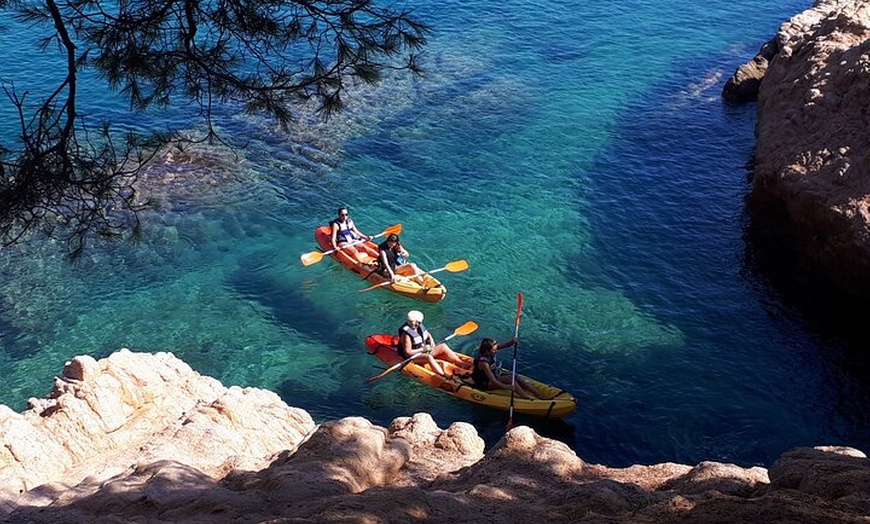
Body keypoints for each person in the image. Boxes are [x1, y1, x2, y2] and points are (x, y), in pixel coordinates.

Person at [398, 310, 471, 376]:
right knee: (428, 357)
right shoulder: (406, 335)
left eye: (419, 322)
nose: (418, 324)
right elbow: (408, 352)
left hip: (423, 350)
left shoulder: (418, 326)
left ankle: (462, 364)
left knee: (443, 346)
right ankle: (443, 375)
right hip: (412, 357)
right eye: (416, 322)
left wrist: (432, 342)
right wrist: (423, 349)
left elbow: (427, 334)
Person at [470, 338, 543, 400]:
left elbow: (506, 345)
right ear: (487, 351)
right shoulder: (483, 362)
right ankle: (526, 397)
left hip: (495, 374)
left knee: (516, 376)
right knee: (510, 379)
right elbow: (493, 380)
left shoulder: (491, 348)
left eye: (496, 349)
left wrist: (512, 341)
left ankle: (538, 394)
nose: (496, 351)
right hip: (484, 383)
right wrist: (506, 387)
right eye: (494, 350)